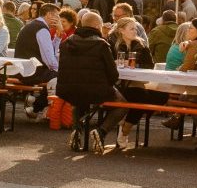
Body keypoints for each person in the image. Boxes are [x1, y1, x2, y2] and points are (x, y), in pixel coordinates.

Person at [57, 10, 122, 152]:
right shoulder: (101, 45)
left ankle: (77, 130)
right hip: (96, 90)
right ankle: (101, 131)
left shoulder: (66, 42)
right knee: (123, 105)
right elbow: (113, 75)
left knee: (78, 98)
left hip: (68, 89)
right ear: (98, 26)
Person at [109, 16, 165, 149]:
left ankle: (126, 123)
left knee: (163, 96)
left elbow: (150, 65)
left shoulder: (141, 45)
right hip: (118, 85)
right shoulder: (112, 44)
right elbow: (108, 63)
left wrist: (136, 65)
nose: (135, 31)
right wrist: (114, 63)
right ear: (122, 30)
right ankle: (126, 129)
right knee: (141, 97)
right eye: (132, 28)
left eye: (136, 28)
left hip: (137, 83)